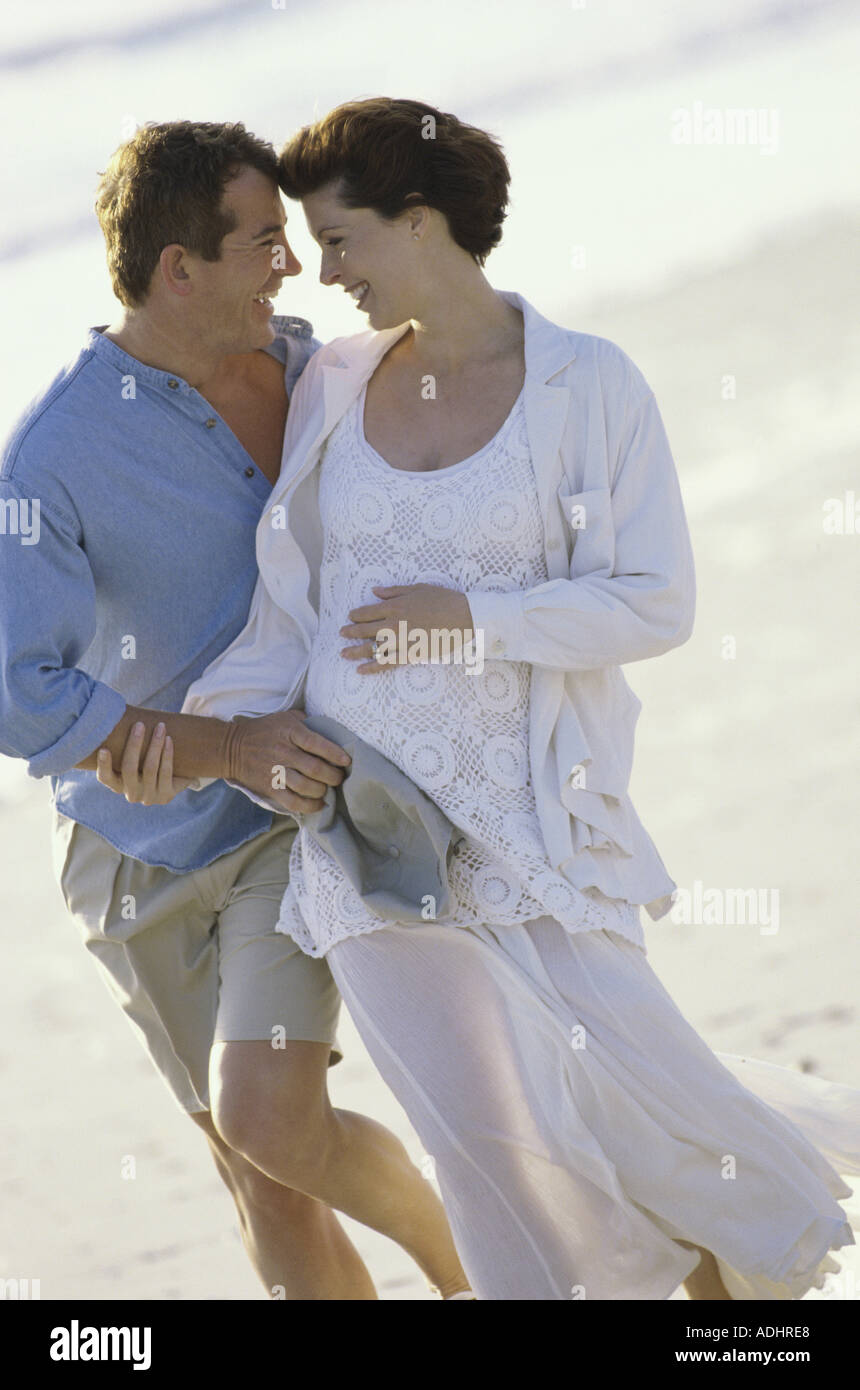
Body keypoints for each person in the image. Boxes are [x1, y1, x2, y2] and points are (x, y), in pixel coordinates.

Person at [105, 98, 859, 1301]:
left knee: (641, 1123)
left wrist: (473, 619)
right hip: (372, 849)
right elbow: (288, 608)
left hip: (541, 829)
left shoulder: (586, 385)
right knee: (499, 1158)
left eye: (343, 238)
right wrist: (203, 741)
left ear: (422, 223)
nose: (322, 270)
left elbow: (654, 600)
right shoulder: (338, 382)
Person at [0, 119, 471, 1300]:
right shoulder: (52, 459)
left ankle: (462, 1269)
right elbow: (17, 679)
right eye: (264, 242)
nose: (292, 267)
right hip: (135, 857)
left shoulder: (324, 379)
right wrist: (198, 746)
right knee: (260, 1175)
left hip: (284, 824)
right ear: (178, 269)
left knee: (267, 1116)